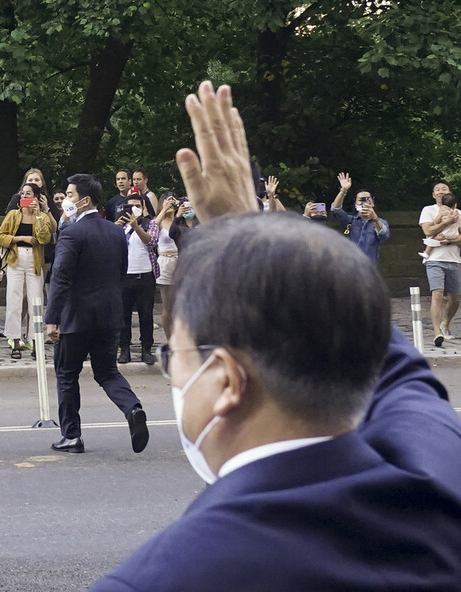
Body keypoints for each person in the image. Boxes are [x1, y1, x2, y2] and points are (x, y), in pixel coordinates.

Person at [92, 79, 461, 592]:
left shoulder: (163, 578)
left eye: (170, 355)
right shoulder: (440, 473)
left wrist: (247, 234)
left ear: (224, 380)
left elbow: (382, 359)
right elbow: (380, 355)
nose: (170, 369)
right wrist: (257, 239)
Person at [45, 173, 149, 455]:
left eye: (69, 195)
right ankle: (133, 408)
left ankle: (71, 436)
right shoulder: (115, 232)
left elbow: (61, 278)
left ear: (84, 200)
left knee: (66, 374)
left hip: (75, 318)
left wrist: (52, 318)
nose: (66, 200)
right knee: (107, 372)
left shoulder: (71, 233)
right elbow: (120, 272)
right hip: (109, 316)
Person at [0, 183, 53, 358]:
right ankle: (15, 341)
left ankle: (36, 341)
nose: (25, 196)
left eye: (29, 194)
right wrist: (20, 238)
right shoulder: (13, 215)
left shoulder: (42, 216)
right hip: (16, 258)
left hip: (34, 260)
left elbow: (44, 238)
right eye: (23, 193)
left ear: (36, 197)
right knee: (14, 300)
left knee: (36, 301)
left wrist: (38, 215)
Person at [116, 192, 159, 365]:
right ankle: (124, 349)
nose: (134, 210)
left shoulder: (150, 224)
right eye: (130, 206)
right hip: (124, 276)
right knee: (123, 316)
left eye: (138, 206)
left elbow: (151, 241)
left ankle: (146, 349)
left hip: (145, 276)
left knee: (146, 315)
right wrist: (116, 226)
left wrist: (137, 227)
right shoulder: (120, 226)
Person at [419, 179, 461, 346]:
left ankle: (445, 324)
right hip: (435, 259)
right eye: (438, 189)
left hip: (454, 259)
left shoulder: (459, 212)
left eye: (444, 188)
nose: (441, 191)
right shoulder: (429, 210)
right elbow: (428, 231)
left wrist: (450, 239)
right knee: (437, 294)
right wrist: (446, 223)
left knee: (456, 298)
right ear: (433, 194)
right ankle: (437, 332)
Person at [331, 173, 390, 262]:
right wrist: (343, 191)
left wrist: (375, 218)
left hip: (368, 268)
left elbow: (384, 235)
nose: (364, 203)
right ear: (355, 204)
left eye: (367, 199)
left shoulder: (380, 222)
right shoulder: (350, 221)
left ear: (373, 203)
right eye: (361, 200)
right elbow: (335, 209)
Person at [154, 193, 180, 338]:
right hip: (165, 260)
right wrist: (163, 210)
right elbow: (152, 228)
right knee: (168, 305)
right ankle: (170, 339)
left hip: (180, 259)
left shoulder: (180, 220)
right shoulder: (159, 221)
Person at [422, 192, 460, 259]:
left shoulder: (443, 213)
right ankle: (446, 241)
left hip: (443, 234)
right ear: (455, 205)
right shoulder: (457, 213)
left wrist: (441, 219)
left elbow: (436, 222)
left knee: (432, 239)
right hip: (454, 234)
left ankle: (426, 253)